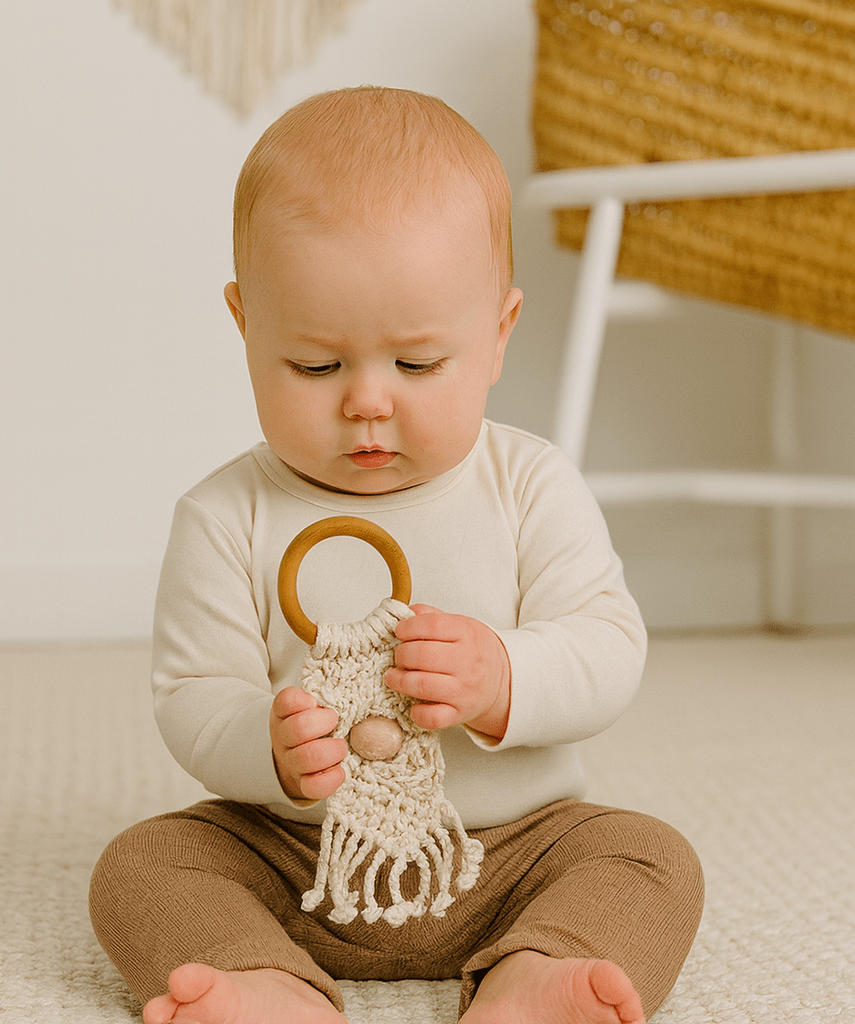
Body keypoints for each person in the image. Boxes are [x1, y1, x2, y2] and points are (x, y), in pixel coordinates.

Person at [89, 86, 704, 1024]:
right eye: (316, 365)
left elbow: (610, 648)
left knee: (650, 857)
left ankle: (534, 973)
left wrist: (503, 676)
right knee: (143, 866)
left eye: (417, 365)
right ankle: (265, 982)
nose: (368, 402)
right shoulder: (224, 515)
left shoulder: (529, 485)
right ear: (246, 325)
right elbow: (191, 695)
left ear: (497, 336)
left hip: (511, 852)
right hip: (295, 857)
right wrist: (267, 744)